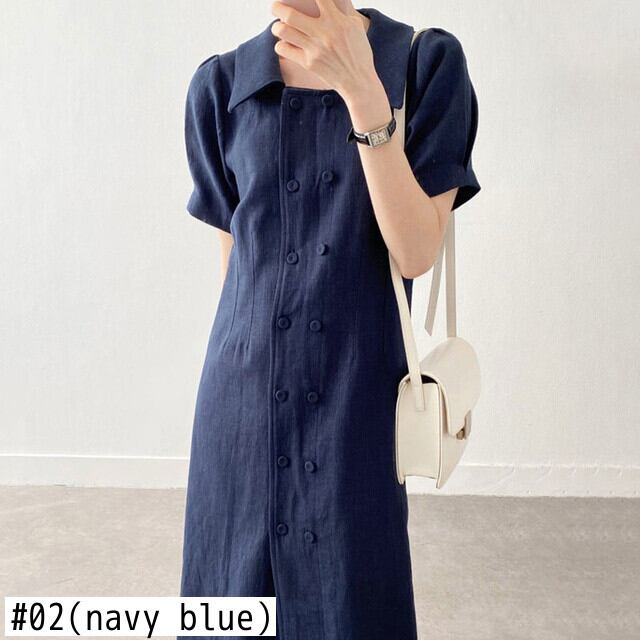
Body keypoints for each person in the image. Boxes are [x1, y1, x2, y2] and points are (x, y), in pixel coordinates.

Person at [179, 1, 481, 638]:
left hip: (355, 407)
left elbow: (415, 252)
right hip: (241, 415)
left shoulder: (424, 64)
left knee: (353, 606)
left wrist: (362, 91)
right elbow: (236, 274)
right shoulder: (221, 84)